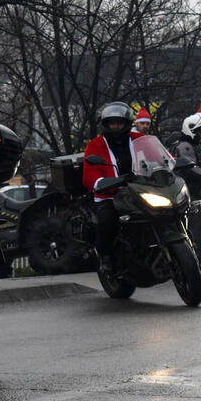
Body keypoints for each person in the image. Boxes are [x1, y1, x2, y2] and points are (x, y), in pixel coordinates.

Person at [82, 102, 145, 278]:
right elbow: (89, 173)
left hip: (141, 190)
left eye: (119, 122)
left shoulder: (138, 138)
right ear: (106, 124)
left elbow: (157, 154)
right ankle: (105, 256)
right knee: (107, 219)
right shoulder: (95, 145)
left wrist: (168, 164)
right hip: (110, 194)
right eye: (112, 123)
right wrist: (101, 182)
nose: (116, 126)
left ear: (127, 123)